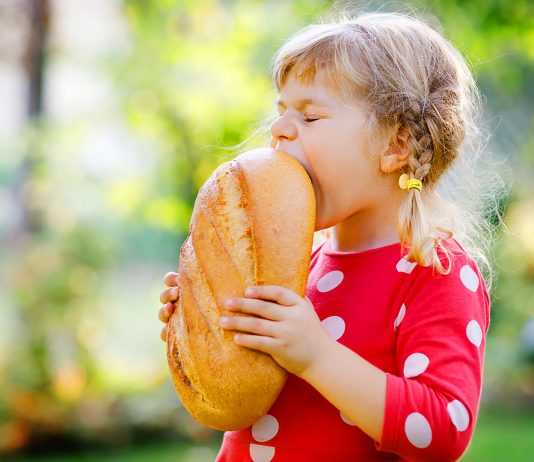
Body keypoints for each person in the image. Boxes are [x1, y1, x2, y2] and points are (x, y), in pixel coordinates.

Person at [158, 10, 496, 462]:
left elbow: (442, 431)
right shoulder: (297, 262)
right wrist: (203, 329)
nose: (278, 129)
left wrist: (316, 355)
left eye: (310, 116)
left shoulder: (434, 271)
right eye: (281, 111)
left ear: (395, 146)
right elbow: (243, 400)